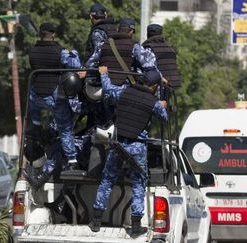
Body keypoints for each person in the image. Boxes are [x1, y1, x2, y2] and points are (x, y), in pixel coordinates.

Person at [88, 66, 168, 237]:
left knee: (107, 180)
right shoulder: (152, 102)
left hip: (118, 144)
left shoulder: (124, 92)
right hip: (137, 147)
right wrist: (164, 100)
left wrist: (104, 75)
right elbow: (164, 118)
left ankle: (96, 221)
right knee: (138, 184)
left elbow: (108, 90)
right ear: (154, 87)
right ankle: (136, 225)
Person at [28, 22, 81, 170]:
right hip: (55, 95)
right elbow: (75, 65)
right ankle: (71, 160)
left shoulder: (32, 52)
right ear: (53, 34)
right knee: (65, 128)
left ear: (40, 33)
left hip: (36, 96)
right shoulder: (60, 52)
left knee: (35, 126)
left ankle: (36, 148)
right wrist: (74, 53)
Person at [98, 18, 159, 86]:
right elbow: (148, 65)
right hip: (124, 88)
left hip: (104, 85)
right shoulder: (134, 45)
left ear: (118, 29)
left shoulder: (104, 43)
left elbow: (92, 62)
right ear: (131, 31)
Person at [142, 24, 181, 88]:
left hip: (155, 87)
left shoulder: (148, 48)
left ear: (148, 34)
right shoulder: (170, 48)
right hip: (169, 87)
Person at [84, 3, 116, 69]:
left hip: (99, 72)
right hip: (114, 68)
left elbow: (98, 53)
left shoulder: (97, 32)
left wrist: (85, 68)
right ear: (105, 15)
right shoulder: (114, 29)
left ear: (91, 16)